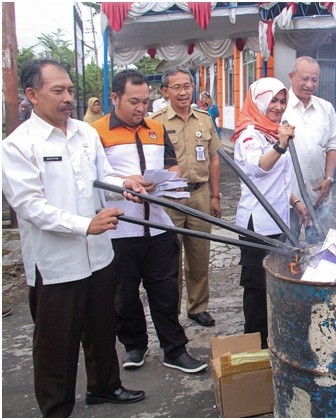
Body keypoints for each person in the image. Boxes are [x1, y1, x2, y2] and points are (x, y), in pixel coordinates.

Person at [2, 59, 146, 417]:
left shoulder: (85, 133)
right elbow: (29, 207)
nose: (68, 97)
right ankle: (56, 407)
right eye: (58, 91)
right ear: (33, 95)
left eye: (69, 90)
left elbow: (104, 176)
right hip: (56, 264)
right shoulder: (19, 145)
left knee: (102, 328)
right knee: (56, 343)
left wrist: (123, 184)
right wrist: (85, 225)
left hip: (98, 255)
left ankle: (105, 387)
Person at [92, 69, 207, 374]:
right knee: (124, 295)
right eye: (133, 101)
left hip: (158, 226)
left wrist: (164, 180)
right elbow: (93, 177)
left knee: (165, 292)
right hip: (119, 230)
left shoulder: (156, 129)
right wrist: (124, 181)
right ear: (115, 98)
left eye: (145, 101)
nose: (141, 108)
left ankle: (175, 349)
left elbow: (173, 167)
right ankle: (134, 345)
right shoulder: (97, 133)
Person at [232, 77, 308, 348]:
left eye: (282, 101)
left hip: (280, 220)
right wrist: (281, 145)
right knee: (256, 288)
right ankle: (255, 346)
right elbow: (259, 167)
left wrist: (296, 202)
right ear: (258, 101)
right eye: (272, 100)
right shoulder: (250, 134)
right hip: (258, 223)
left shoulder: (272, 131)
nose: (278, 106)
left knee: (278, 281)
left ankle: (276, 339)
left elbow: (275, 182)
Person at [150, 67, 222, 327]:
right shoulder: (156, 122)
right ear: (166, 91)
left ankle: (198, 307)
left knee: (199, 255)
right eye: (177, 87)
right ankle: (170, 312)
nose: (183, 92)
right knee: (169, 260)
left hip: (200, 195)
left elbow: (214, 159)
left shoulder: (204, 118)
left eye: (187, 86)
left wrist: (215, 196)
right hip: (171, 199)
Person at [283, 56, 336, 243]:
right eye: (305, 78)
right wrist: (291, 197)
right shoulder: (279, 108)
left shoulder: (326, 108)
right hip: (287, 198)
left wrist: (329, 179)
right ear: (291, 76)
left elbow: (333, 144)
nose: (309, 84)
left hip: (319, 196)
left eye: (314, 80)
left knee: (319, 252)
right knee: (286, 252)